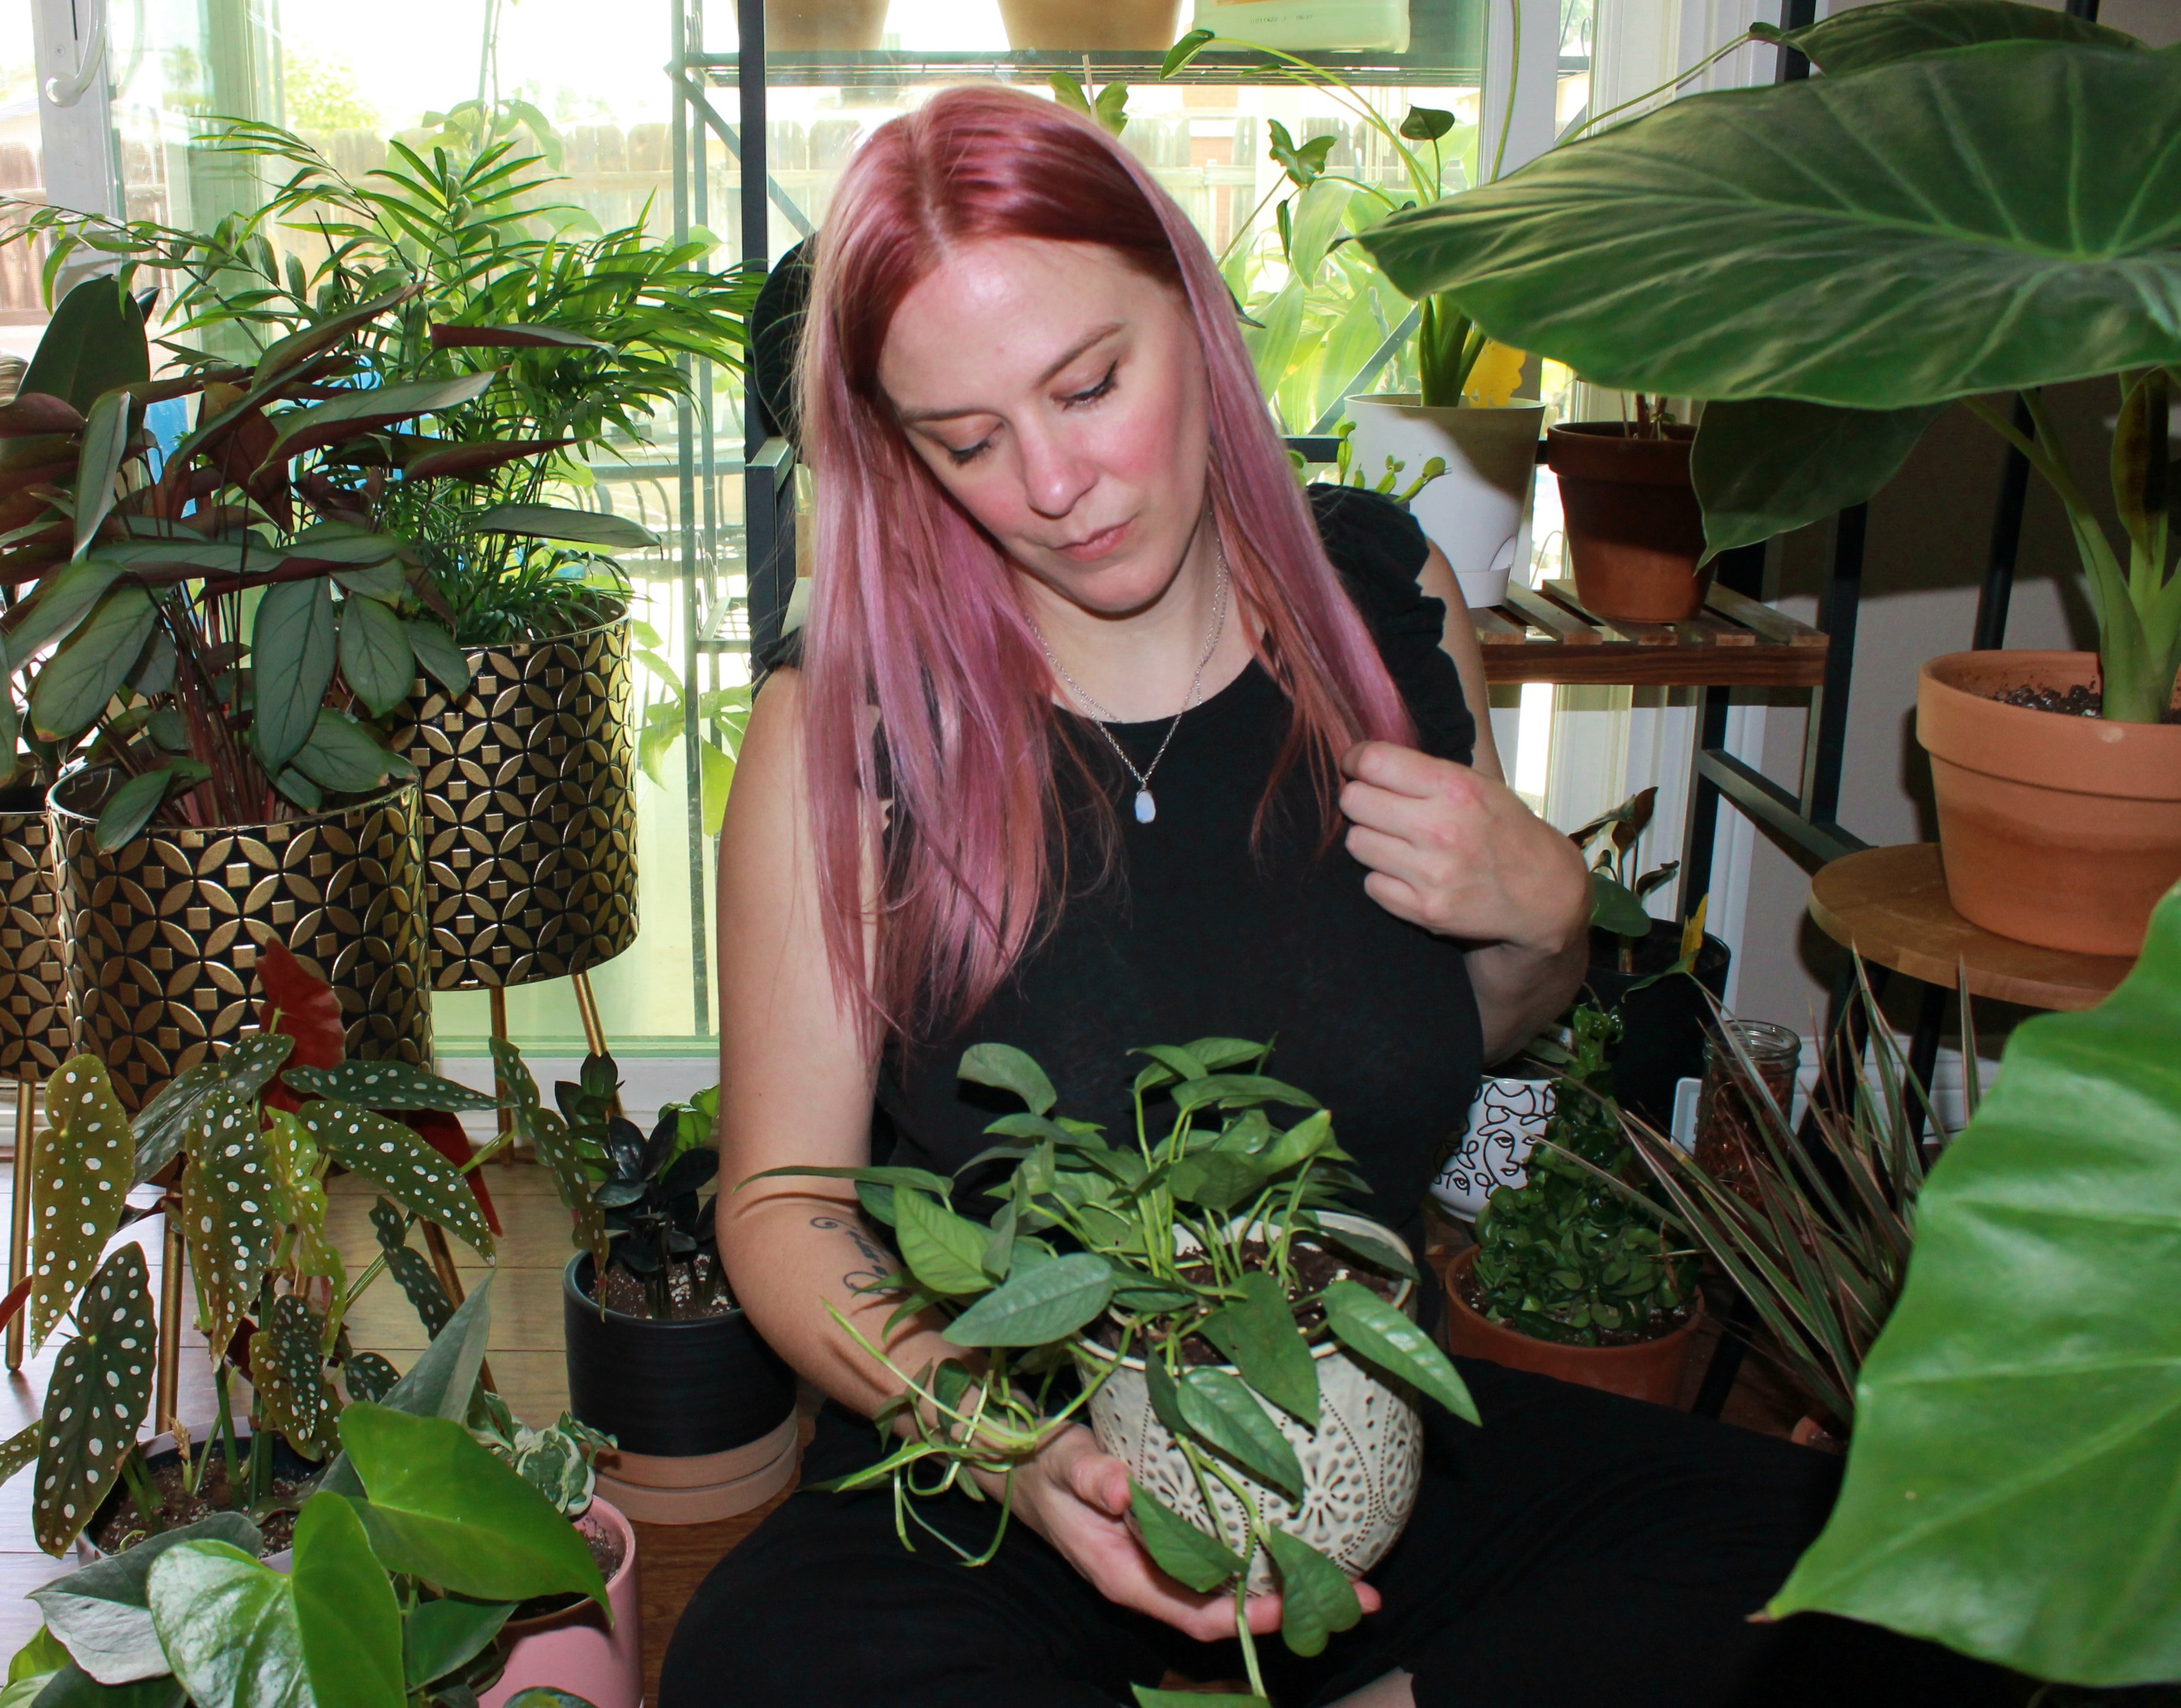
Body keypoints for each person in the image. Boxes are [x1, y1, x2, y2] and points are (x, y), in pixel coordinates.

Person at [665, 85, 1994, 1708]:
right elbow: (784, 1206)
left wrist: (1543, 921)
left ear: (1195, 312)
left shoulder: (1382, 604)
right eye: (969, 441)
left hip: (1373, 1450)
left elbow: (1471, 1039)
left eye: (1090, 387)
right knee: (761, 1671)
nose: (1057, 481)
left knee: (1883, 1571)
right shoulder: (850, 722)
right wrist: (1012, 1453)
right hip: (1017, 1490)